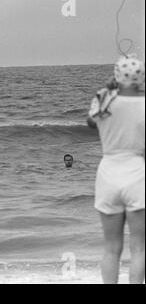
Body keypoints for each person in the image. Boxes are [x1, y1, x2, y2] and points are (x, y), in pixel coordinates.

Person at [87, 55, 145, 284]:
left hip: (108, 174)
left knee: (111, 248)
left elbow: (91, 123)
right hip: (137, 175)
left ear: (116, 75)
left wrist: (109, 91)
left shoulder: (103, 99)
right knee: (139, 248)